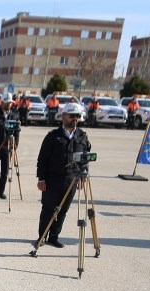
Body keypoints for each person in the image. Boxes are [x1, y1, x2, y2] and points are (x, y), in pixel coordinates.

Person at [36, 102, 91, 248]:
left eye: (77, 116)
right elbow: (42, 159)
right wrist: (41, 179)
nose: (75, 119)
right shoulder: (52, 136)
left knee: (63, 211)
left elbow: (85, 159)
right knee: (48, 209)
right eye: (72, 116)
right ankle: (42, 236)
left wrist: (83, 176)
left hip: (71, 179)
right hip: (52, 179)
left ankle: (54, 237)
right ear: (63, 116)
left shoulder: (82, 136)